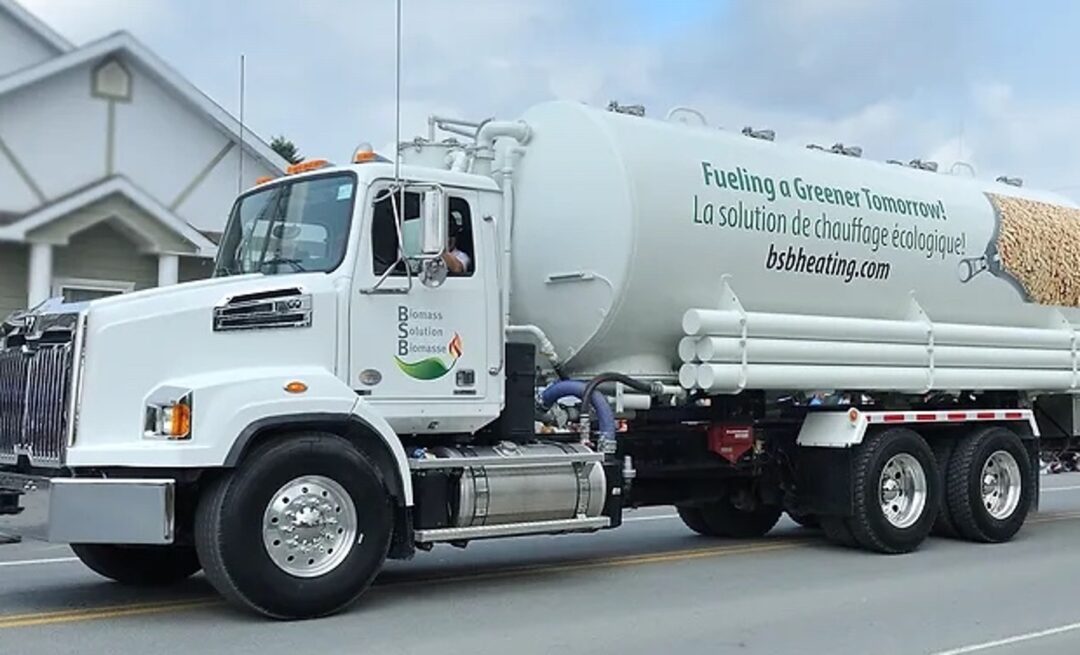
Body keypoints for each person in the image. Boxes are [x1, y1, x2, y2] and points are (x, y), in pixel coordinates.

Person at [441, 210, 471, 275]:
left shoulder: (462, 256)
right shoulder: (430, 255)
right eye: (445, 235)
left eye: (452, 234)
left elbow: (457, 269)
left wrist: (440, 250)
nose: (448, 239)